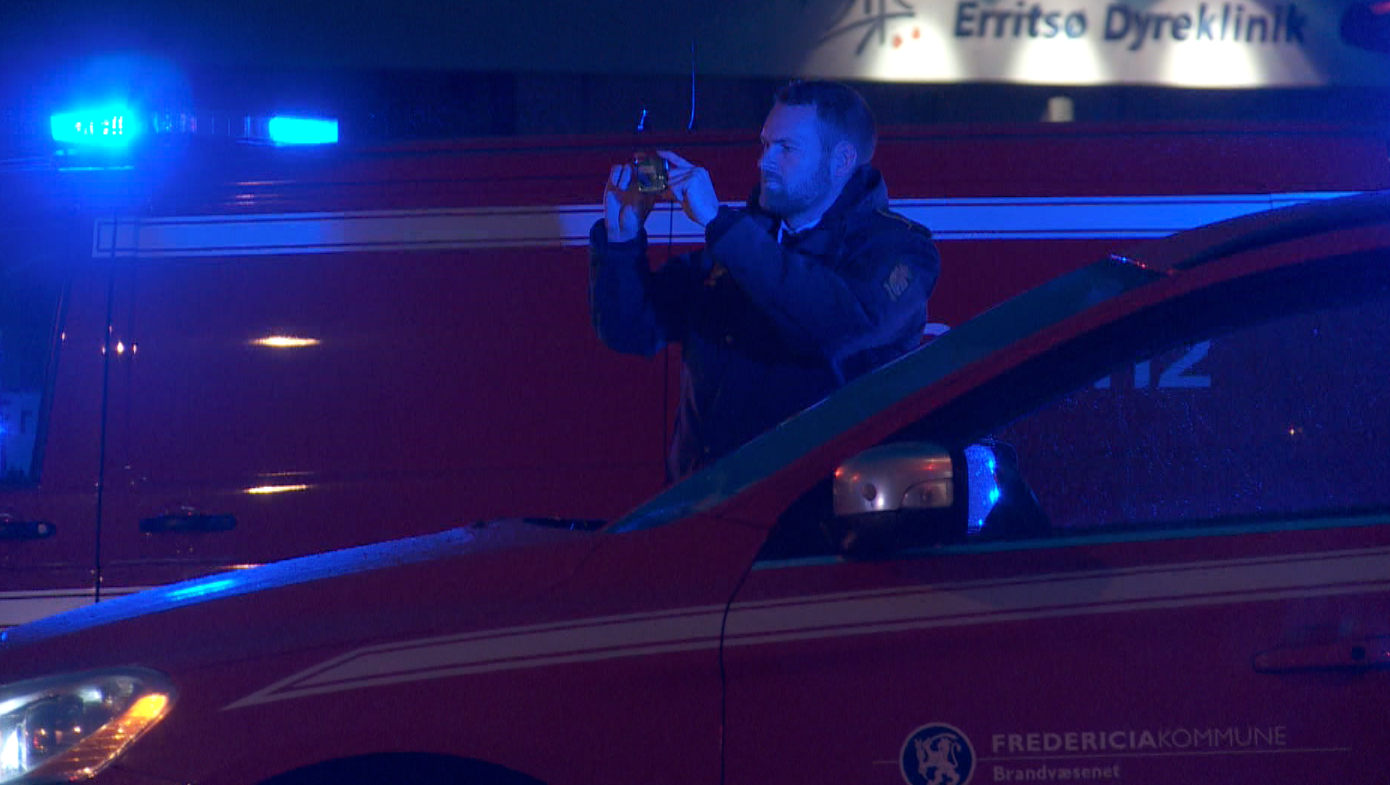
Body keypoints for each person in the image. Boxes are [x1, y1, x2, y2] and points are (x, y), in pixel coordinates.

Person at [589, 79, 940, 481]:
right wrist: (621, 239)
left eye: (786, 148)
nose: (764, 162)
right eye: (765, 144)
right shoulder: (741, 242)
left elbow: (837, 326)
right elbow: (632, 331)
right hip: (707, 505)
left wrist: (719, 222)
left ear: (841, 161)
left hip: (813, 509)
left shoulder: (897, 250)